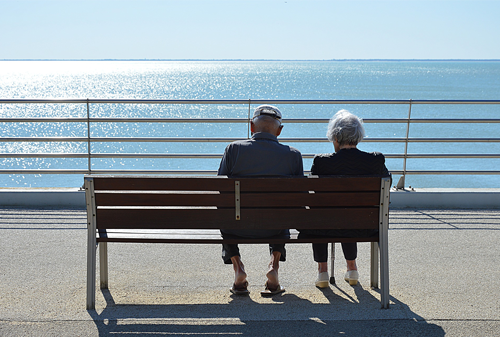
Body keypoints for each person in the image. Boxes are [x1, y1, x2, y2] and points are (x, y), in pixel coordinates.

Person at [218, 105, 303, 296]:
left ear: (251, 127)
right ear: (279, 131)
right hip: (275, 227)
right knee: (284, 214)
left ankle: (238, 268)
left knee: (225, 214)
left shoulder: (233, 149)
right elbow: (299, 199)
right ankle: (273, 267)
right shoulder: (293, 155)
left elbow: (220, 192)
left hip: (236, 226)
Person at [301, 109, 390, 288]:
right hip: (366, 226)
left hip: (326, 228)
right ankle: (352, 268)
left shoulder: (322, 162)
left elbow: (313, 196)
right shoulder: (375, 161)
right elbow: (386, 189)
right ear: (358, 137)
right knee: (349, 215)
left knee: (322, 216)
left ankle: (323, 271)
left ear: (335, 137)